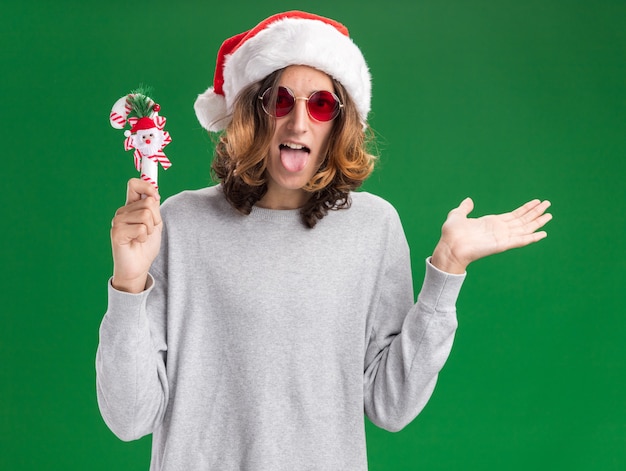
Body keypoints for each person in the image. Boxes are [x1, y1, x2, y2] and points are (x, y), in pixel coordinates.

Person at [96, 10, 552, 470]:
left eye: (320, 105)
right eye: (280, 101)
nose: (298, 124)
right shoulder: (179, 223)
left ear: (339, 122)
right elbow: (130, 418)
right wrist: (129, 285)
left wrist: (447, 269)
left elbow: (390, 407)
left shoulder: (374, 228)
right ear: (253, 111)